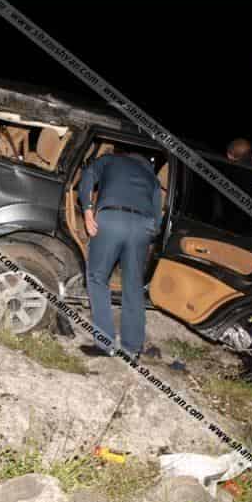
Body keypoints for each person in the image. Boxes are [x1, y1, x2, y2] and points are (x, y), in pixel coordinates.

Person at [78, 146, 162, 359]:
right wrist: (147, 232)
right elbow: (157, 217)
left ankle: (105, 344)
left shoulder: (110, 160)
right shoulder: (151, 177)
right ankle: (132, 348)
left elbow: (87, 175)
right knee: (133, 285)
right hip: (143, 224)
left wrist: (87, 210)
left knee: (97, 278)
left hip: (112, 217)